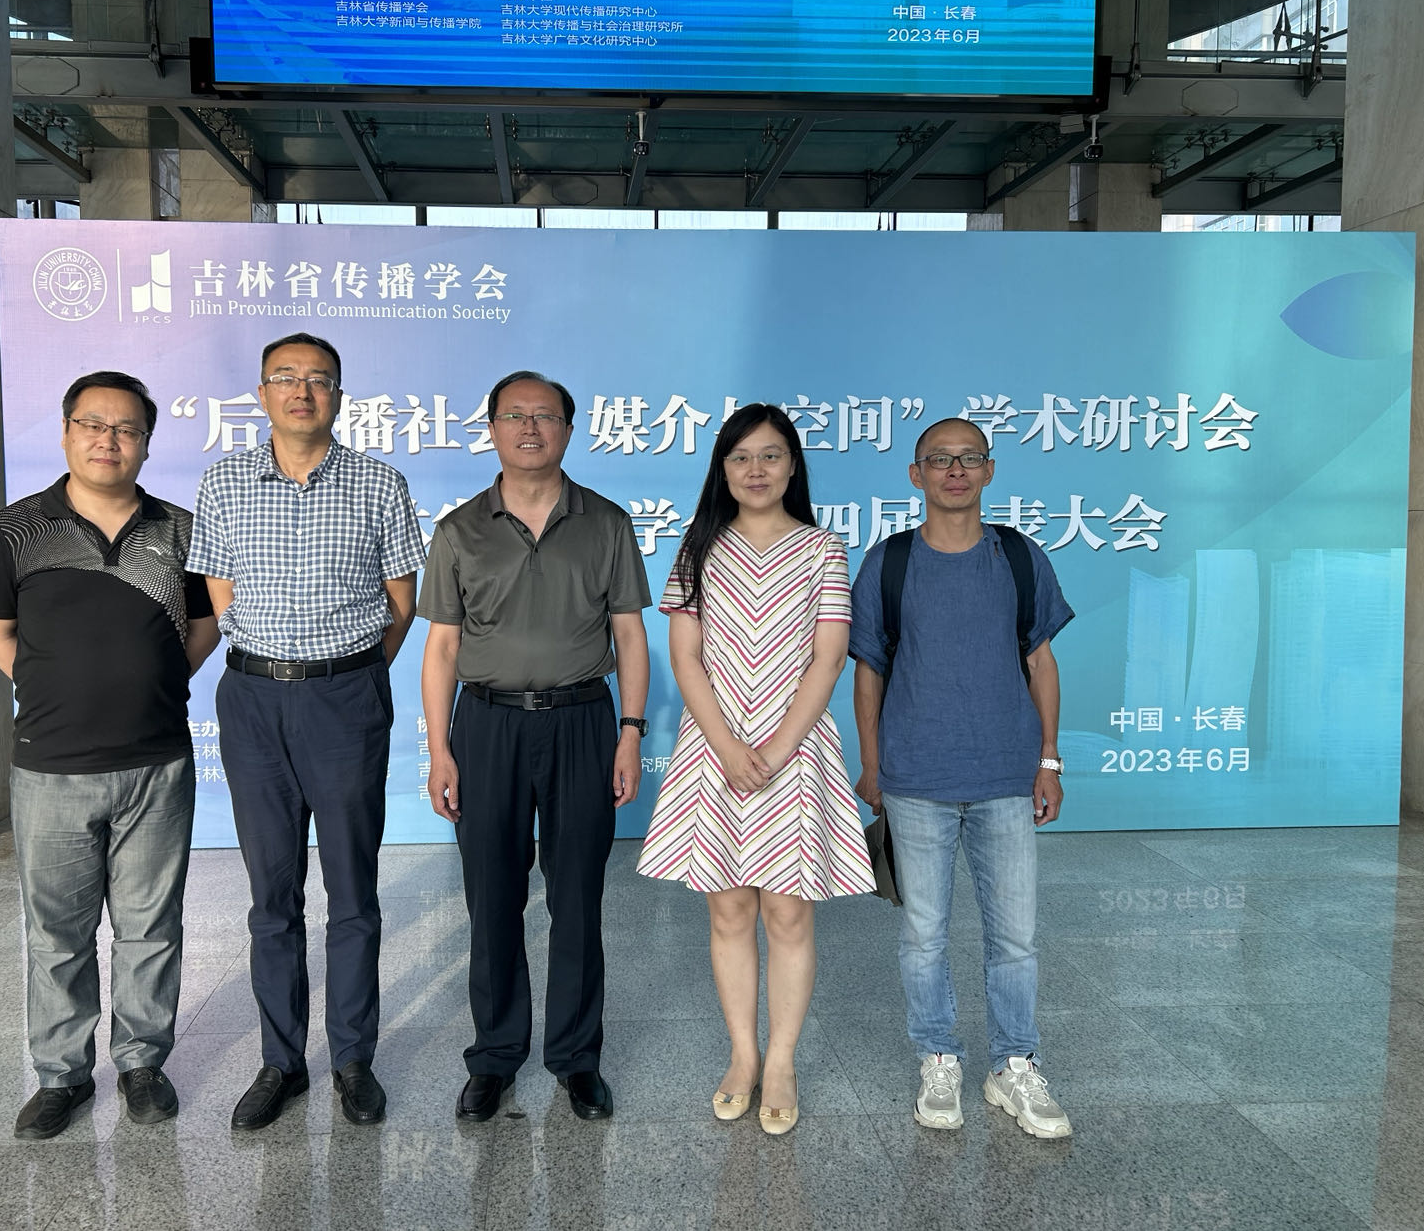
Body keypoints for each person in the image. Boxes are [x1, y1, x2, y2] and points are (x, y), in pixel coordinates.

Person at [0, 371, 221, 1140]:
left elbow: (205, 625)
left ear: (146, 442)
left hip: (157, 764)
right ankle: (62, 1077)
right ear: (65, 432)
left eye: (126, 429)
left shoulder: (179, 530)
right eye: (92, 424)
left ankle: (142, 1064)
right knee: (57, 934)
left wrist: (154, 683)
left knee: (152, 926)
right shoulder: (15, 530)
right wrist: (53, 690)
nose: (108, 440)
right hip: (51, 769)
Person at [187, 332, 426, 1130]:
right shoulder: (224, 482)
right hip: (253, 701)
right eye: (285, 378)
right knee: (272, 896)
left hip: (344, 699)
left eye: (318, 379)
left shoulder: (378, 482)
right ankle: (281, 1063)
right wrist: (276, 662)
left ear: (338, 396)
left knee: (353, 892)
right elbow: (220, 592)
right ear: (261, 394)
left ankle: (353, 1059)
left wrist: (348, 675)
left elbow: (401, 603)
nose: (301, 391)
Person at [418, 370, 651, 1123]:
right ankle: (494, 1057)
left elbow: (629, 635)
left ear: (568, 430)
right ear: (491, 429)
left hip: (583, 721)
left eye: (544, 416)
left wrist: (630, 732)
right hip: (486, 726)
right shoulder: (459, 530)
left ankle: (577, 1060)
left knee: (578, 897)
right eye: (514, 415)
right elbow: (442, 648)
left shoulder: (606, 522)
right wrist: (440, 750)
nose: (529, 428)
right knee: (492, 897)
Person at [636, 405, 874, 1136]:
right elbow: (686, 657)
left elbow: (828, 659)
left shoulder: (823, 549)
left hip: (794, 753)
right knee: (729, 909)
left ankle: (783, 1061)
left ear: (793, 466)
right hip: (715, 751)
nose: (756, 470)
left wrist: (773, 750)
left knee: (788, 912)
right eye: (741, 457)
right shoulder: (698, 548)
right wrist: (729, 746)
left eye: (771, 456)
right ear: (723, 469)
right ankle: (742, 1055)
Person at [849, 417, 1075, 1140]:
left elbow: (1040, 661)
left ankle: (1014, 1065)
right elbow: (868, 671)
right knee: (924, 936)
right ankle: (938, 1057)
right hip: (916, 778)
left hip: (1007, 775)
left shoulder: (1019, 556)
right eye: (940, 460)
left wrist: (1048, 759)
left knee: (1016, 939)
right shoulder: (889, 563)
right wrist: (873, 764)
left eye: (969, 458)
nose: (955, 471)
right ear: (915, 475)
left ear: (990, 470)